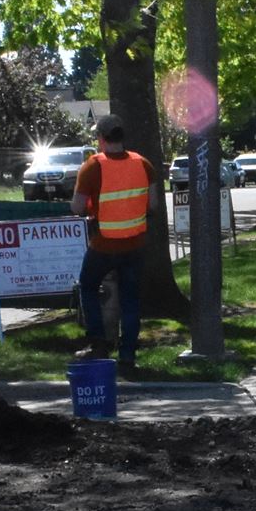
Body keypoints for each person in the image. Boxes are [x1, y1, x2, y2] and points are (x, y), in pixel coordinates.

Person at [72, 115, 152, 375]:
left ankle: (98, 344)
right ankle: (127, 355)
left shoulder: (93, 166)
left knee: (87, 286)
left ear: (102, 139)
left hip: (104, 245)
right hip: (135, 244)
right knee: (130, 299)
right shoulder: (143, 164)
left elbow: (76, 207)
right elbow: (153, 205)